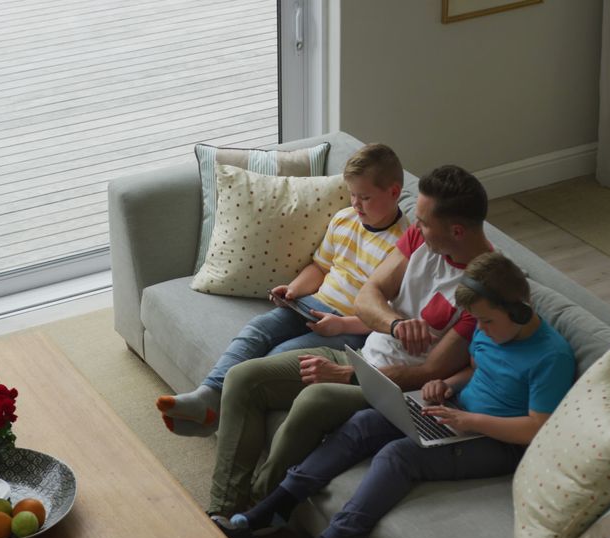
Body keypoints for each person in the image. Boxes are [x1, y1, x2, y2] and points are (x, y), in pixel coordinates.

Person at [218, 252, 577, 538]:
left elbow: (535, 428)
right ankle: (279, 503)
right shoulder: (494, 328)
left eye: (487, 322)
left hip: (498, 441)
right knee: (365, 423)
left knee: (398, 456)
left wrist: (469, 420)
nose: (479, 330)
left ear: (520, 310)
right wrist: (448, 385)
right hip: (455, 414)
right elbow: (478, 368)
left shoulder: (551, 357)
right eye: (477, 321)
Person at [206, 164, 493, 516]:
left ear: (458, 231)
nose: (413, 226)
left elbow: (431, 369)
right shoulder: (422, 239)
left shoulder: (485, 288)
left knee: (315, 398)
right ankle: (222, 509)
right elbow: (367, 295)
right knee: (242, 377)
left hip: (393, 390)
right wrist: (396, 325)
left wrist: (351, 376)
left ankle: (260, 506)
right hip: (361, 354)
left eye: (422, 222)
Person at [156, 143, 410, 435]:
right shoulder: (344, 219)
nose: (356, 204)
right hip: (312, 305)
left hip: (352, 329)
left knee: (280, 355)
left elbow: (390, 317)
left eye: (364, 197)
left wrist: (341, 325)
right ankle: (207, 395)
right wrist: (293, 291)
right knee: (258, 328)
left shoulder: (404, 246)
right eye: (352, 194)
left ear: (393, 192)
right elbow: (320, 267)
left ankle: (216, 415)